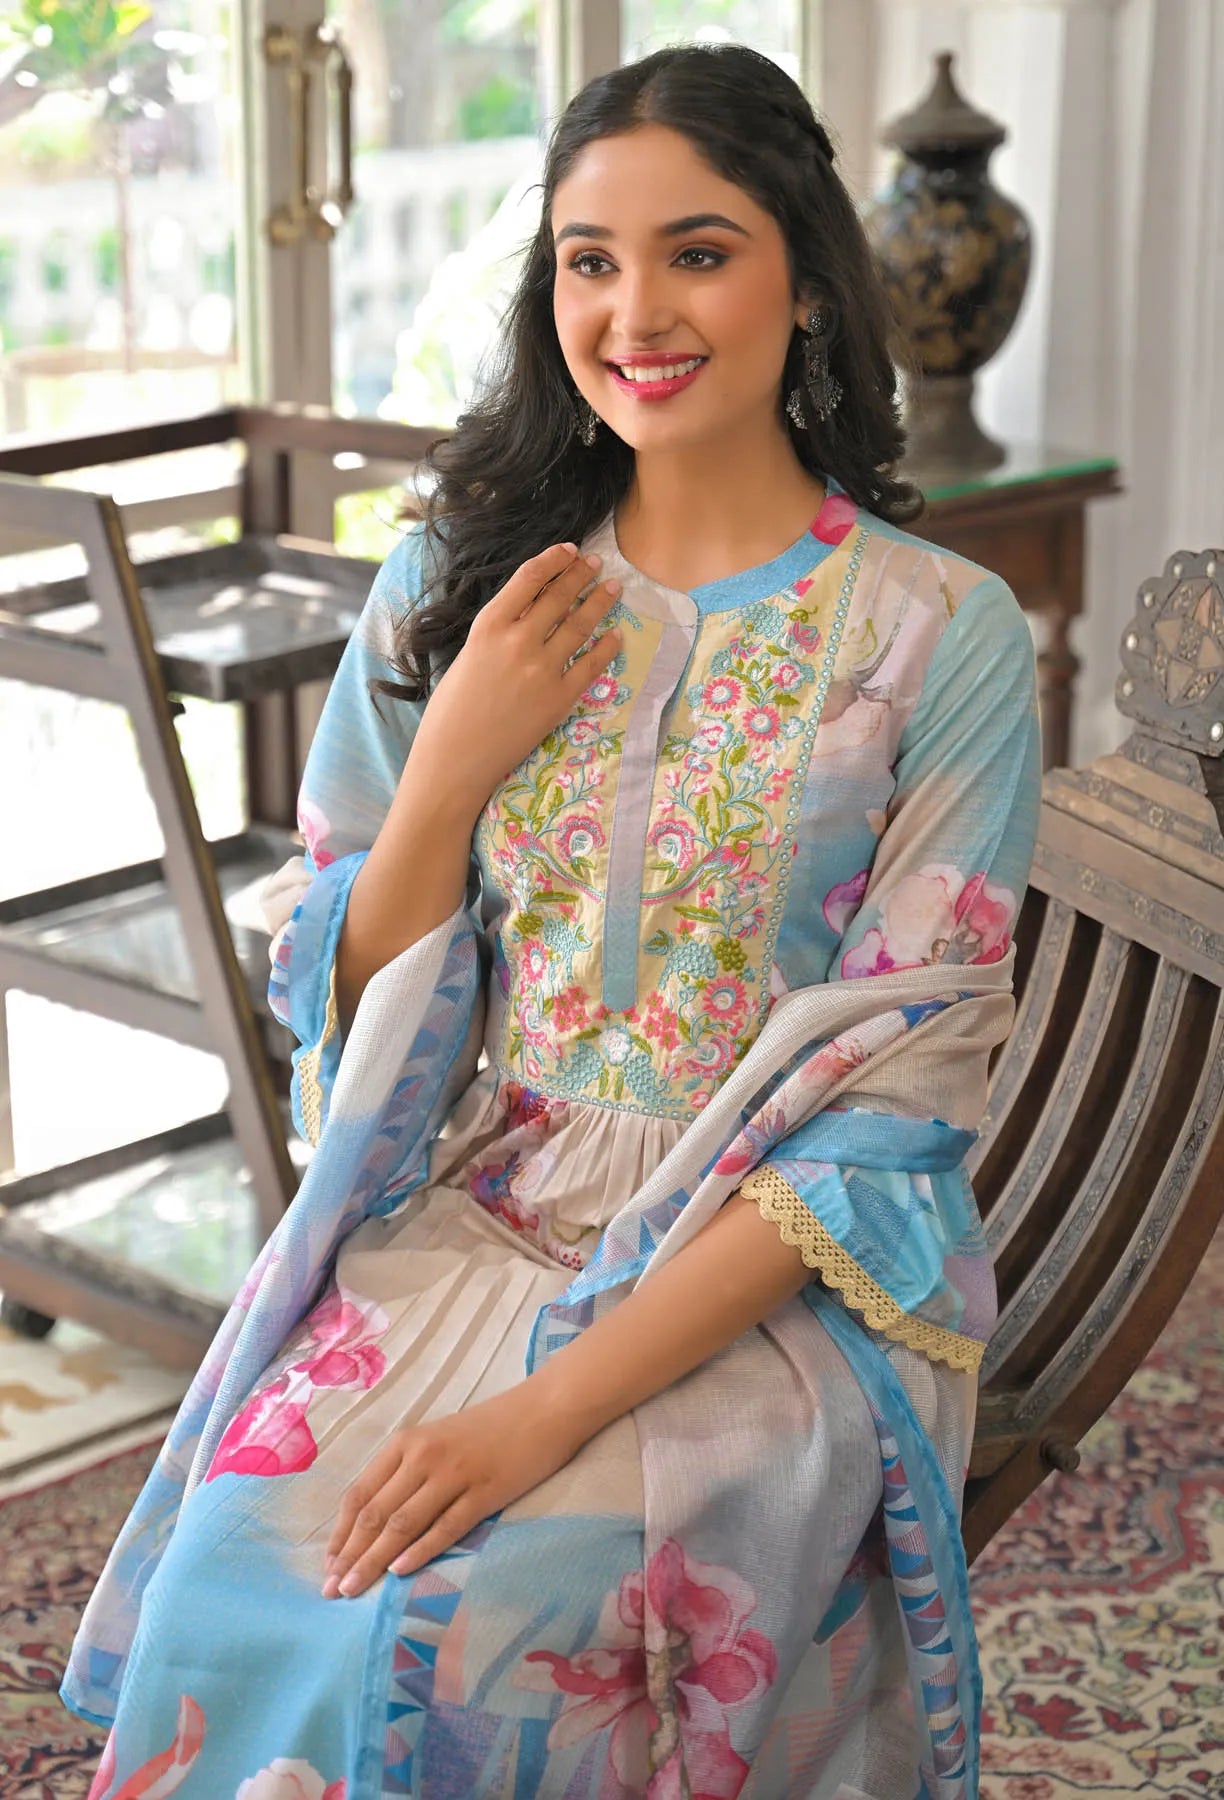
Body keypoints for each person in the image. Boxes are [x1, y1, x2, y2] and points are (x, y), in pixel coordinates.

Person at [65, 42, 1040, 1800]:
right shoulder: (457, 582)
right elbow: (342, 1010)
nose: (635, 309)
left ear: (806, 283)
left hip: (764, 1272)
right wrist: (445, 770)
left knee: (466, 1616)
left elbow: (896, 1114)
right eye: (589, 259)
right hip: (481, 1210)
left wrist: (543, 1408)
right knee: (243, 1570)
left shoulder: (936, 631)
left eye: (697, 249)